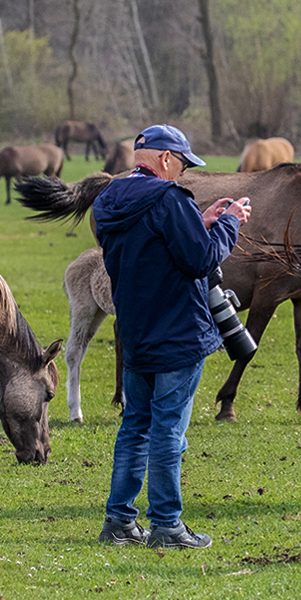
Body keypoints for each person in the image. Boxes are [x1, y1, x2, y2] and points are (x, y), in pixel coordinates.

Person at [93, 124, 251, 549]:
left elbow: (148, 246)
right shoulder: (168, 198)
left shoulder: (107, 200)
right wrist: (229, 225)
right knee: (168, 431)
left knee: (134, 427)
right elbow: (200, 258)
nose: (182, 174)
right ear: (164, 159)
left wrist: (199, 222)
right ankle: (166, 524)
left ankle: (119, 521)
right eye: (181, 164)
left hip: (136, 332)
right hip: (178, 332)